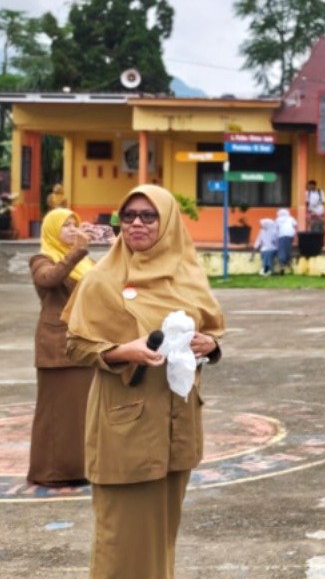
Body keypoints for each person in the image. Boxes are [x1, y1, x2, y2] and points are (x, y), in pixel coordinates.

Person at [63, 184, 223, 579]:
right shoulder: (103, 279)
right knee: (123, 541)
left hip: (176, 424)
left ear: (166, 222)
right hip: (126, 426)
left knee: (161, 536)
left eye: (148, 216)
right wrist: (123, 351)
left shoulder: (187, 273)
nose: (136, 223)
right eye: (128, 215)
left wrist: (211, 344)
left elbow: (211, 328)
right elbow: (76, 346)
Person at [27, 208, 95, 486]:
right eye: (64, 226)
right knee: (55, 414)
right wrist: (78, 251)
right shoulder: (41, 259)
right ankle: (50, 472)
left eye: (74, 225)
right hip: (56, 346)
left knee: (80, 412)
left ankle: (79, 469)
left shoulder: (85, 264)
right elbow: (50, 279)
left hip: (83, 342)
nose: (70, 230)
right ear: (52, 231)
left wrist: (119, 249)